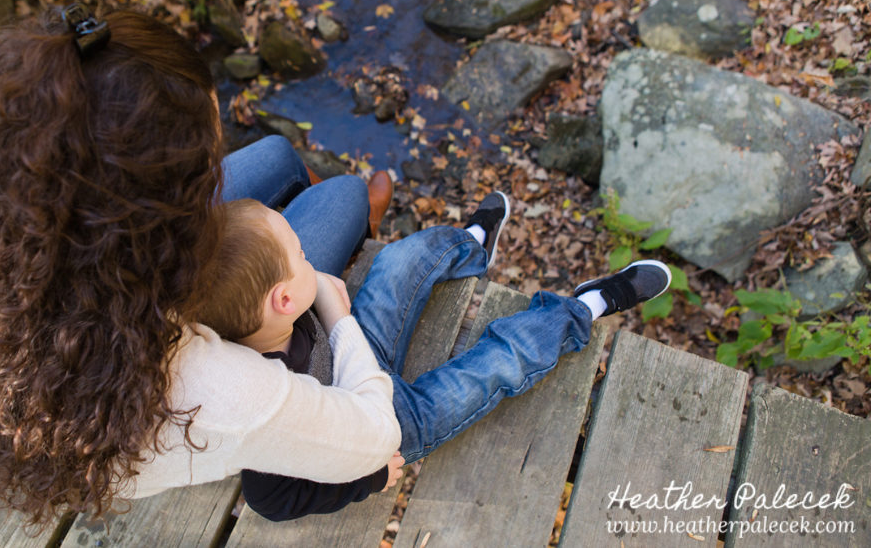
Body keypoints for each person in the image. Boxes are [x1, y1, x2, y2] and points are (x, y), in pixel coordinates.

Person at [0, 5, 392, 526]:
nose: (216, 162)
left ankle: (328, 213)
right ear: (150, 206)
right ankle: (357, 226)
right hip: (159, 357)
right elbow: (375, 437)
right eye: (204, 162)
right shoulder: (216, 388)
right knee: (343, 196)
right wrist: (335, 313)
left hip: (126, 295)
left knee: (274, 155)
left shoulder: (19, 222)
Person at [195, 196, 672, 521]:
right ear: (282, 300)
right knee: (494, 365)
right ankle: (585, 307)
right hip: (382, 432)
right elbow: (271, 500)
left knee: (398, 261)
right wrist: (367, 478)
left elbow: (315, 304)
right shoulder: (260, 402)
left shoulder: (250, 317)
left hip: (357, 352)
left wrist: (321, 299)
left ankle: (472, 246)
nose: (309, 258)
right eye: (301, 254)